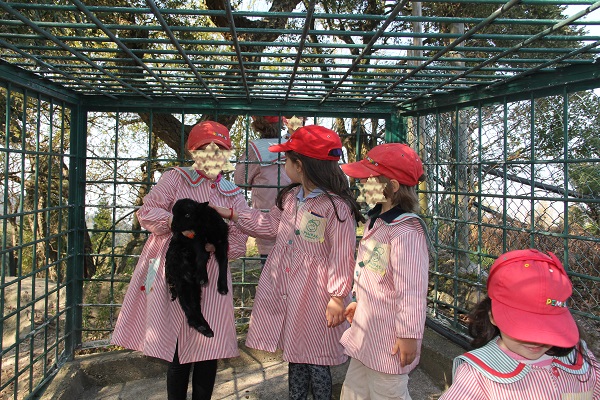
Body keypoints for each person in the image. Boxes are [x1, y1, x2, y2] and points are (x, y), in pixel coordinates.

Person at [213, 125, 365, 400]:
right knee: (296, 353)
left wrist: (337, 296)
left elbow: (342, 256)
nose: (283, 164)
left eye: (286, 159)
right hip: (291, 289)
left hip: (317, 295)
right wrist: (234, 214)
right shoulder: (291, 198)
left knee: (317, 357)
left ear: (300, 165)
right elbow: (270, 225)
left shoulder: (336, 207)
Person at [111, 121, 248, 400]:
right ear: (194, 152)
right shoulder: (176, 179)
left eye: (221, 150)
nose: (214, 157)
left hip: (211, 275)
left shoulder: (232, 192)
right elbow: (147, 212)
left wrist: (213, 245)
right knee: (177, 344)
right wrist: (177, 224)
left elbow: (239, 240)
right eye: (207, 150)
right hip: (173, 269)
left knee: (209, 347)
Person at [439, 248, 600, 400]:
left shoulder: (580, 359)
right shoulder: (478, 375)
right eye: (525, 328)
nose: (537, 340)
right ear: (492, 316)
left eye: (548, 327)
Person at [338, 143, 430, 400]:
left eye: (368, 178)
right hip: (367, 333)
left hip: (389, 342)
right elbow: (371, 271)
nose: (361, 183)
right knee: (354, 391)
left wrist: (409, 334)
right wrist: (359, 301)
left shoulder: (406, 232)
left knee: (387, 392)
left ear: (392, 186)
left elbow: (411, 290)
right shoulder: (376, 220)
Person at [234, 116, 291, 265]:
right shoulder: (291, 145)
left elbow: (240, 179)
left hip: (266, 218)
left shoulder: (254, 149)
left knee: (269, 268)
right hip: (294, 218)